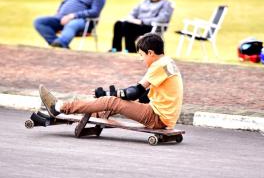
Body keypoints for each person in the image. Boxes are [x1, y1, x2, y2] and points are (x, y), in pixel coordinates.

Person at [39, 33, 183, 129]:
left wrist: (108, 93)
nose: (141, 59)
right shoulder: (167, 61)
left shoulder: (158, 65)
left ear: (150, 53)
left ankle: (60, 107)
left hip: (158, 118)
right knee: (112, 104)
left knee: (111, 101)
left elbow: (134, 92)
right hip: (163, 115)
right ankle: (75, 114)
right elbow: (143, 95)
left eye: (142, 55)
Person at [110, 0, 174, 53]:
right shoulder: (145, 1)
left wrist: (142, 21)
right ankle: (115, 48)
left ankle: (130, 50)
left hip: (152, 26)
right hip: (138, 24)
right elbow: (133, 12)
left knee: (127, 25)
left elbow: (162, 18)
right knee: (118, 24)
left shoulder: (166, 3)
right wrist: (131, 19)